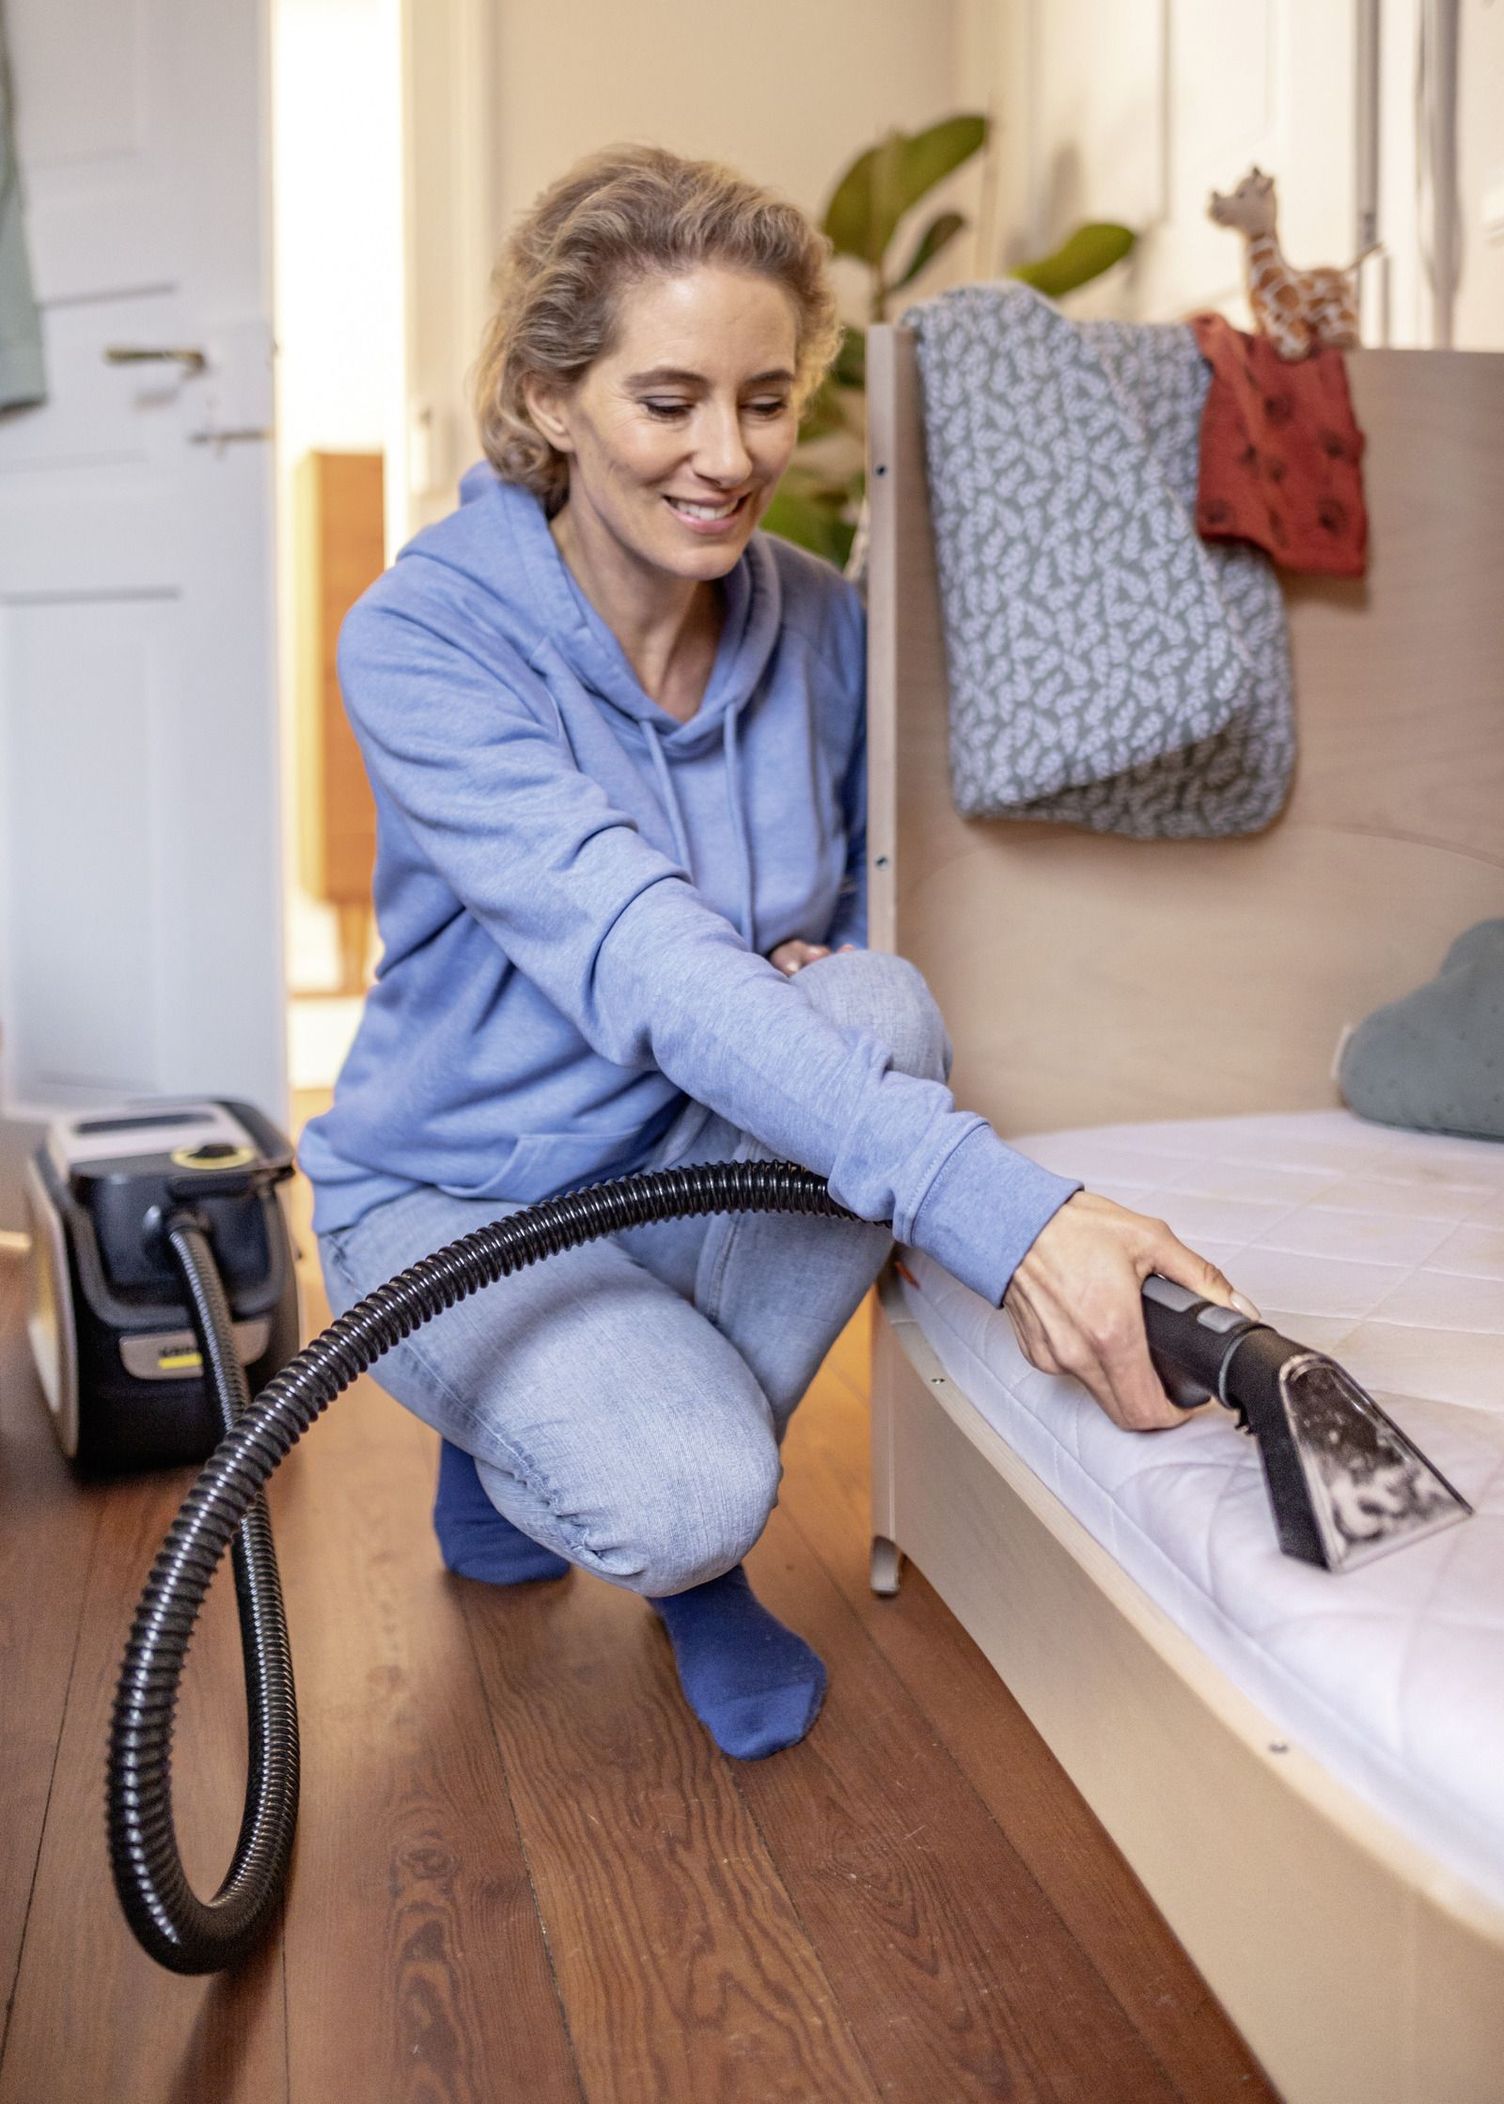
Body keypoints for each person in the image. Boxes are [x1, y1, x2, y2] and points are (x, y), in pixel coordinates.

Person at [302, 144, 1258, 1762]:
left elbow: (881, 891)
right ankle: (638, 1501)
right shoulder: (426, 636)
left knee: (877, 1004)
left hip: (673, 1162)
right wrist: (1010, 1224)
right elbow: (644, 950)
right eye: (666, 400)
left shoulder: (817, 623)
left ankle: (631, 1439)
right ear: (550, 401)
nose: (728, 456)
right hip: (460, 1197)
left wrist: (847, 964)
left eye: (766, 399)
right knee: (683, 1499)